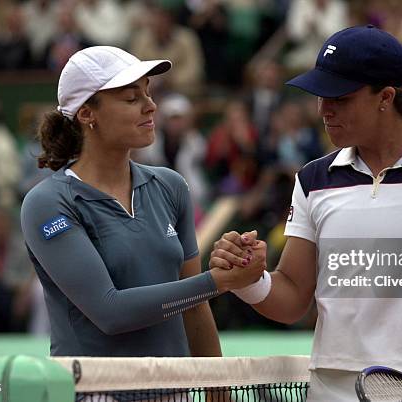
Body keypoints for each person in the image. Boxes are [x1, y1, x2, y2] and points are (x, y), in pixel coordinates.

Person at [210, 26, 402, 401]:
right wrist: (249, 280)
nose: (324, 110)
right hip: (331, 390)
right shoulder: (312, 179)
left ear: (385, 98)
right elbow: (292, 297)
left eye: (339, 97)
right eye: (320, 96)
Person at [20, 46, 263, 357]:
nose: (151, 106)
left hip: (175, 390)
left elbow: (194, 306)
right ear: (86, 113)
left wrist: (219, 390)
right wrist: (218, 281)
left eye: (148, 94)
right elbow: (111, 312)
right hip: (96, 392)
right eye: (132, 98)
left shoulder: (171, 185)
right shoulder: (48, 203)